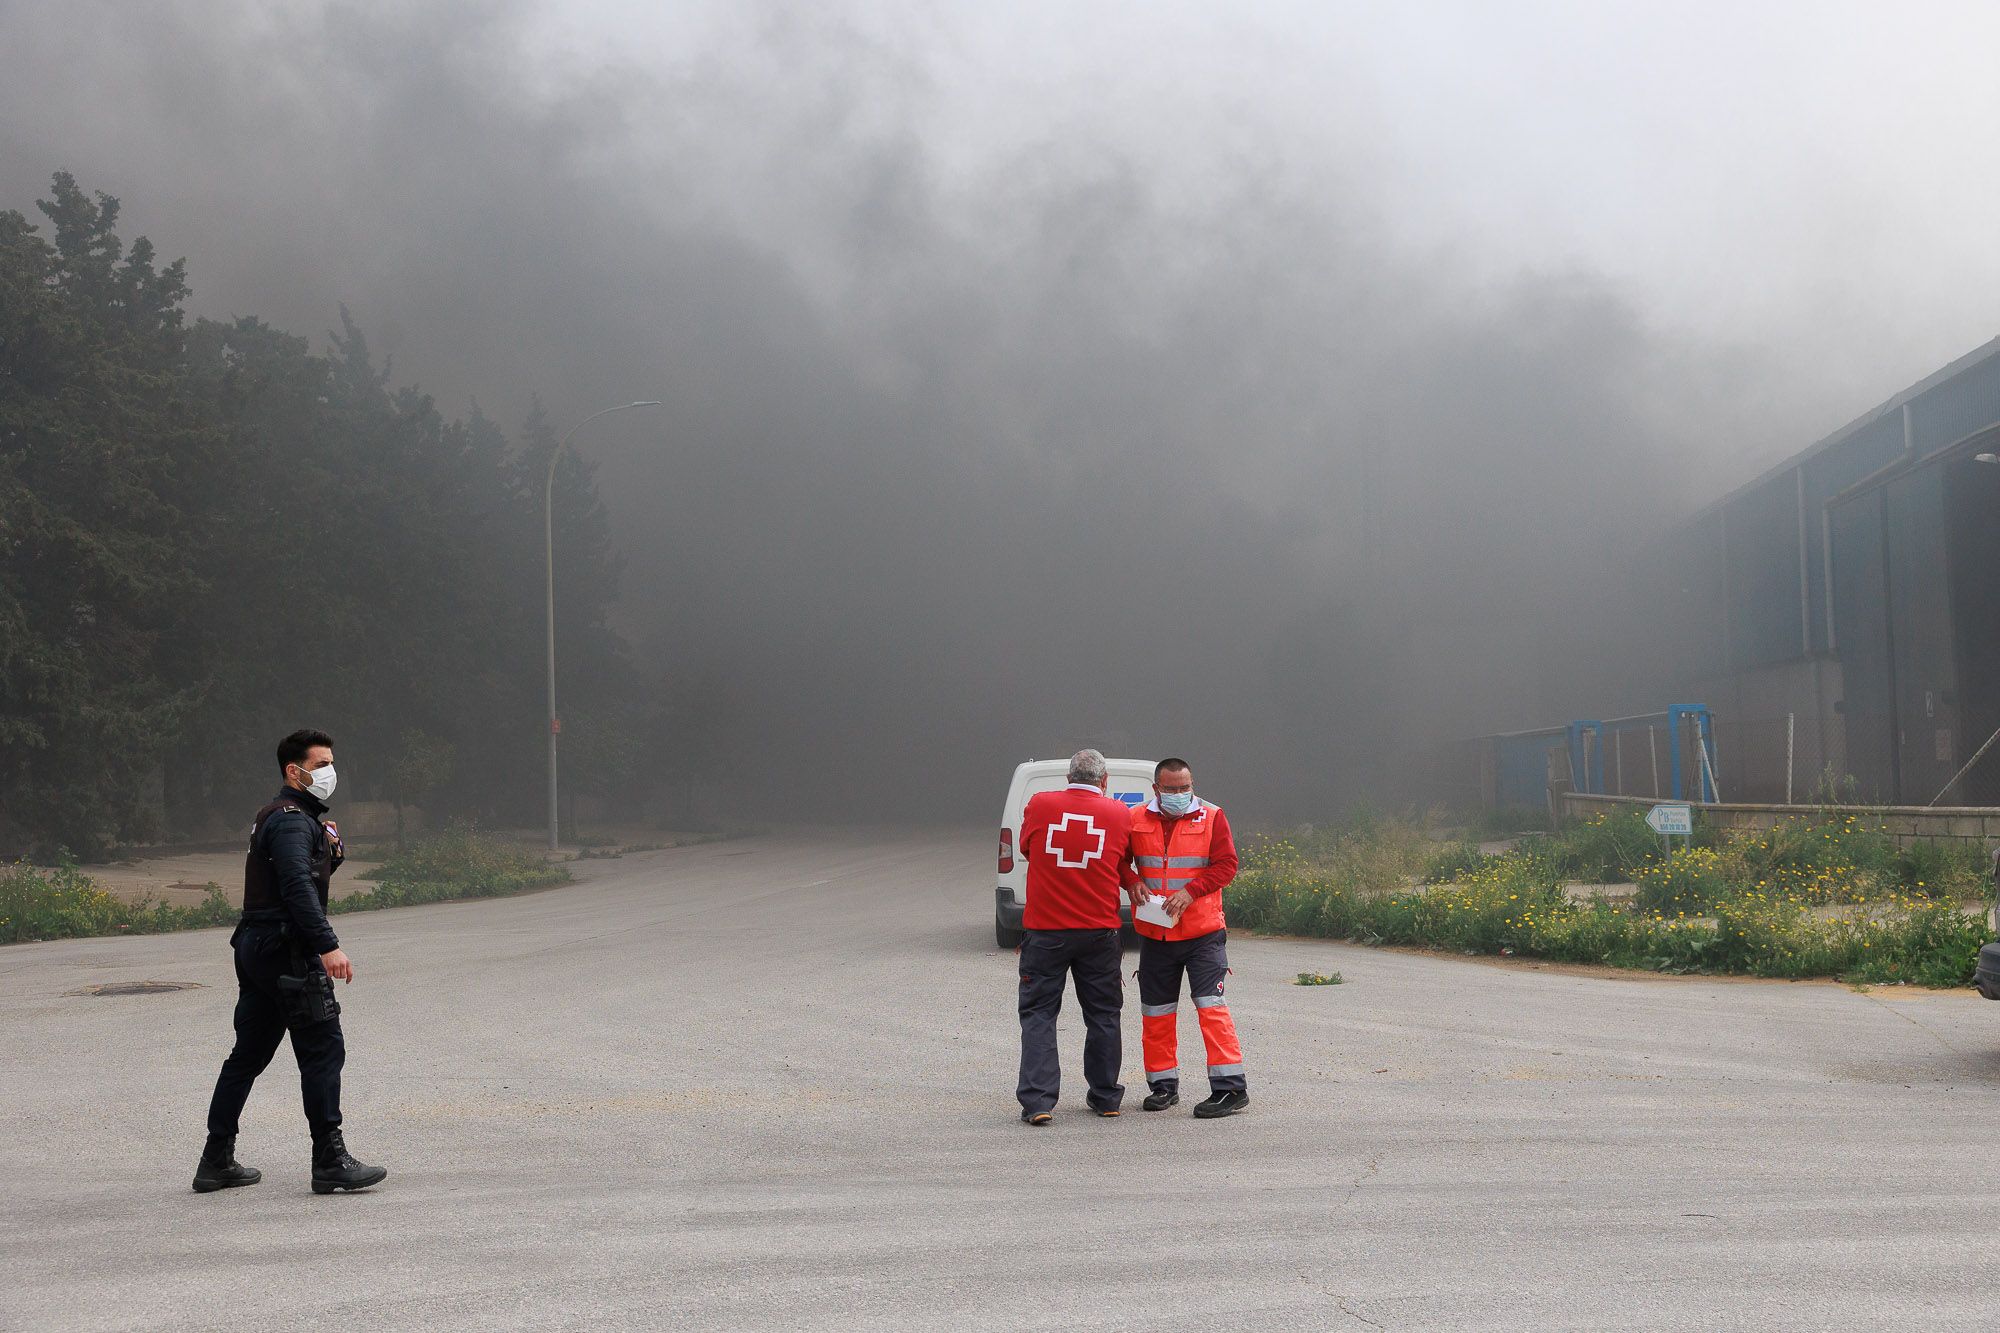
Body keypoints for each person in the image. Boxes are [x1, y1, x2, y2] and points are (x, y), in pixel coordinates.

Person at [194, 729, 388, 1195]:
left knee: (248, 1055)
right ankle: (330, 1161)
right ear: (293, 771)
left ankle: (215, 1160)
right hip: (286, 949)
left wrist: (330, 854)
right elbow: (297, 887)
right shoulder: (293, 822)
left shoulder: (282, 817)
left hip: (258, 946)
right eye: (321, 765)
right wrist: (328, 945)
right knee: (322, 1048)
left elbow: (295, 875)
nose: (330, 772)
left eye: (331, 763)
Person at [1014, 748, 1135, 1125]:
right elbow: (1122, 859)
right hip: (1099, 932)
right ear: (1105, 781)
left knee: (1038, 1014)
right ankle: (1106, 1097)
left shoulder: (1040, 804)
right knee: (1104, 1014)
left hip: (1046, 931)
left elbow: (1027, 848)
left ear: (1068, 778)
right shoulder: (1120, 813)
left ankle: (1038, 1102)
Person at [1125, 757, 1248, 1118]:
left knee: (1211, 1008)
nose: (1180, 794)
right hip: (1156, 934)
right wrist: (1130, 880)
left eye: (1185, 787)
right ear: (1156, 788)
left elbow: (1227, 865)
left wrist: (1191, 892)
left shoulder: (1212, 816)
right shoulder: (1134, 818)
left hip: (1202, 933)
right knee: (1156, 1013)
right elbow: (1118, 860)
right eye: (1171, 789)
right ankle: (1163, 1086)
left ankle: (1231, 1089)